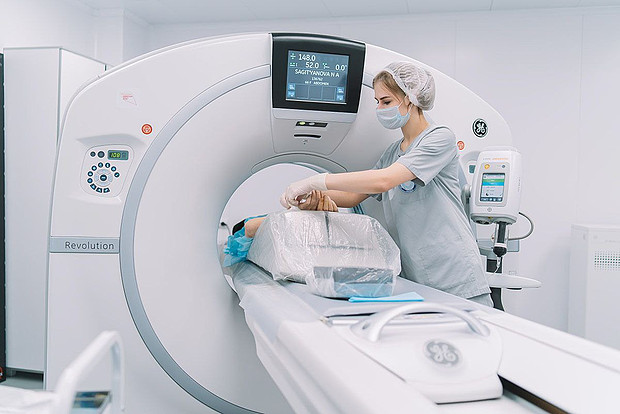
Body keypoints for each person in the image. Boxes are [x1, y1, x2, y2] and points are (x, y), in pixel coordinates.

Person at [281, 62, 492, 306]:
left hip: (455, 272)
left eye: (386, 101)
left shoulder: (440, 138)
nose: (379, 109)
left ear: (411, 99)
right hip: (417, 273)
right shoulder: (393, 152)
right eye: (377, 102)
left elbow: (383, 181)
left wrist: (314, 181)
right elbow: (355, 195)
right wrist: (310, 196)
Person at [223, 190, 338, 266]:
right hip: (282, 225)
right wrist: (297, 212)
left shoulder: (274, 222)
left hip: (287, 223)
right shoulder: (244, 236)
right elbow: (250, 227)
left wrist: (298, 211)